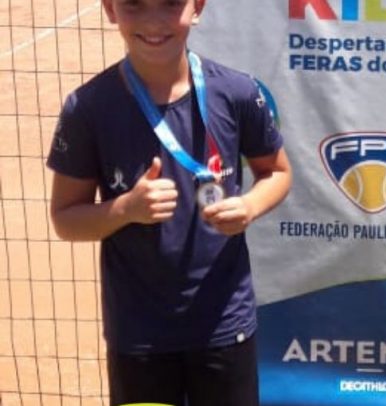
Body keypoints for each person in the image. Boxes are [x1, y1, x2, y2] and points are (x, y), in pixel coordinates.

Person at [47, 0, 292, 405]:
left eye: (171, 4)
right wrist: (126, 209)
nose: (154, 21)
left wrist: (249, 206)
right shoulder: (88, 108)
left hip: (223, 323)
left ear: (197, 7)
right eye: (134, 5)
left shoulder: (237, 92)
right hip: (139, 334)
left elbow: (278, 172)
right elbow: (65, 219)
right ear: (110, 9)